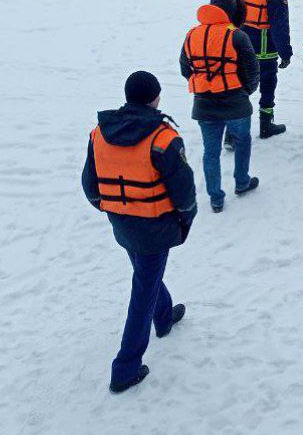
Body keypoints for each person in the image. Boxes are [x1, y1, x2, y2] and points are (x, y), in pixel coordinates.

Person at [81, 71, 197, 394]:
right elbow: (184, 192)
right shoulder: (163, 139)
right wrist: (185, 221)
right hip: (154, 226)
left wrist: (112, 208)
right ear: (155, 99)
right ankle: (125, 368)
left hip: (123, 223)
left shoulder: (100, 133)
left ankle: (164, 316)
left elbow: (90, 185)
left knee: (147, 275)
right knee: (142, 290)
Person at [180, 0, 260, 211]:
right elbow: (253, 69)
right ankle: (242, 182)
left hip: (204, 105)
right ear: (231, 10)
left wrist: (203, 86)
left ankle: (215, 198)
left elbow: (185, 68)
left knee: (211, 151)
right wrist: (246, 92)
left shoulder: (191, 35)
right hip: (236, 102)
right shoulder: (237, 35)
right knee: (243, 140)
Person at [231, 0, 293, 139]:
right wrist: (285, 52)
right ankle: (266, 125)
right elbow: (279, 22)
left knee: (241, 82)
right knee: (267, 82)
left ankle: (231, 132)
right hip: (264, 42)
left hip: (239, 39)